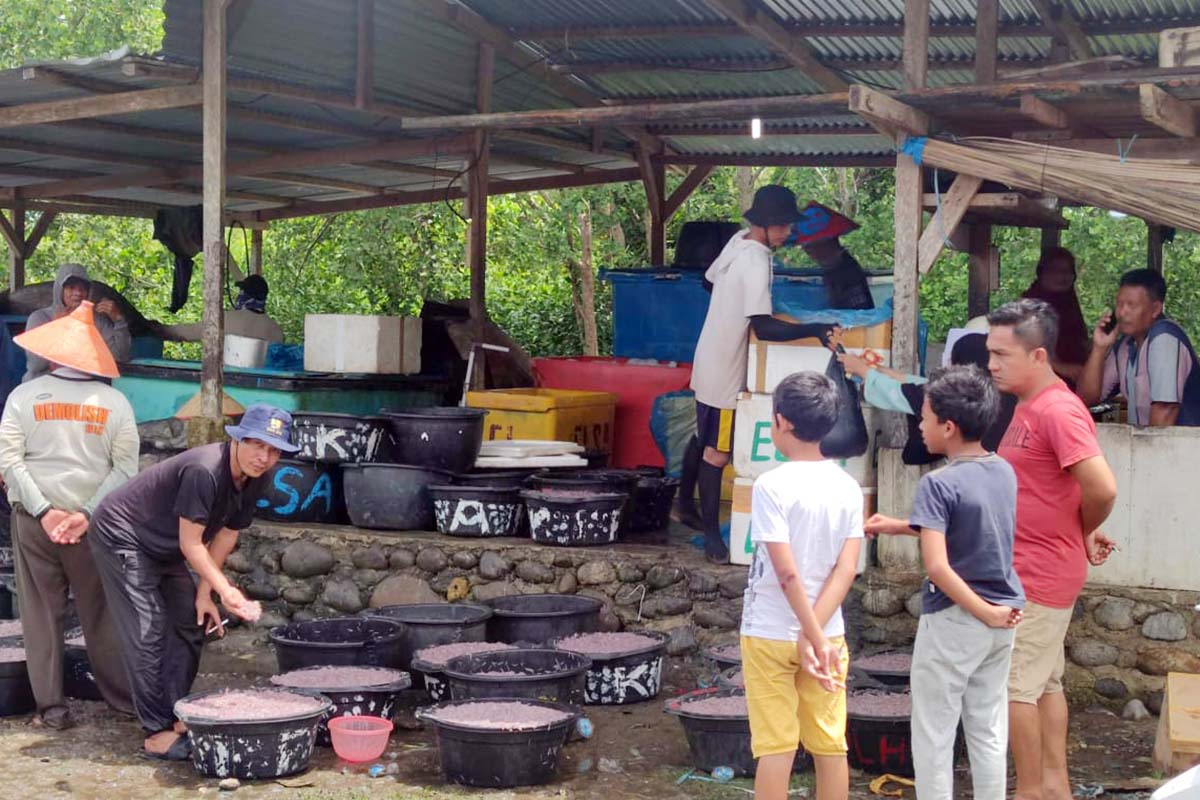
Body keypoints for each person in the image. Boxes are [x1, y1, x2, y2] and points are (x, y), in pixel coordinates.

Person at [88, 404, 297, 759]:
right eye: (257, 444)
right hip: (123, 534)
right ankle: (156, 731)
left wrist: (205, 593)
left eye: (274, 450)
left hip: (166, 544)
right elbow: (191, 544)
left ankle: (176, 712)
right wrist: (227, 590)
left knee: (191, 620)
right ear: (238, 439)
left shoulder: (254, 477)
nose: (264, 457)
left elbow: (227, 535)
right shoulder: (205, 470)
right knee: (148, 627)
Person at [865, 366, 1025, 799]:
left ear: (948, 427)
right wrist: (900, 525)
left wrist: (980, 611)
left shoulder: (939, 483)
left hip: (959, 617)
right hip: (1005, 618)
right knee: (988, 726)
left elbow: (937, 567)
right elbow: (970, 523)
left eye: (925, 417)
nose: (920, 425)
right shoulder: (1003, 471)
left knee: (934, 732)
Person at [987, 299, 1118, 800]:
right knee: (1045, 684)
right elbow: (1053, 488)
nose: (993, 364)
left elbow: (1102, 488)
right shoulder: (1028, 404)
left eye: (1003, 354)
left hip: (1039, 574)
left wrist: (1080, 527)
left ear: (1038, 355)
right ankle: (1055, 787)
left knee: (1015, 686)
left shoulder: (1059, 410)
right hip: (1030, 567)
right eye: (990, 353)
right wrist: (1080, 529)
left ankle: (1029, 791)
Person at [0, 301, 137, 729]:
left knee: (41, 614)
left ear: (54, 352)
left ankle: (53, 709)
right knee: (101, 612)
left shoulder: (23, 397)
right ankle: (124, 701)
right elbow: (125, 471)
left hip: (33, 523)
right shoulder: (115, 403)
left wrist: (43, 512)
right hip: (92, 527)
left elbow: (9, 463)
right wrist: (86, 513)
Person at [687, 186, 838, 562]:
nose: (788, 233)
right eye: (783, 226)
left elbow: (707, 281)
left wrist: (731, 304)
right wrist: (816, 328)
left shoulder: (738, 242)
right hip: (726, 370)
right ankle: (711, 538)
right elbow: (766, 329)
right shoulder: (757, 260)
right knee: (716, 452)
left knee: (699, 436)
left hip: (709, 355)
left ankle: (685, 508)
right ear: (765, 226)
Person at [740, 370, 861, 800]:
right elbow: (846, 569)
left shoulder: (771, 485)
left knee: (777, 745)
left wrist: (806, 633)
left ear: (782, 421)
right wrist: (817, 636)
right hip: (828, 635)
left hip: (771, 631)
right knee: (830, 743)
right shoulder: (848, 487)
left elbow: (786, 573)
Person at [838, 332, 1016, 465]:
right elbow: (924, 385)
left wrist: (861, 370)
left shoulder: (958, 396)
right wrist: (886, 373)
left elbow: (897, 394)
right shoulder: (999, 394)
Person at [1078, 269, 1200, 427]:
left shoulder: (1164, 337)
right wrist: (1099, 348)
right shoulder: (1125, 345)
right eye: (1119, 304)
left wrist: (1148, 451)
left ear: (1155, 309)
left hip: (1183, 447)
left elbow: (1165, 410)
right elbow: (1086, 399)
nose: (1122, 313)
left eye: (1131, 305)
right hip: (1146, 446)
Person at [22, 263, 131, 382]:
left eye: (83, 288)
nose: (78, 293)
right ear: (60, 290)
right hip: (43, 385)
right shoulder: (40, 318)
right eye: (71, 287)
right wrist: (60, 329)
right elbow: (36, 365)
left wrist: (119, 320)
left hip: (83, 386)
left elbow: (120, 357)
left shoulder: (96, 320)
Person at [788, 202, 874, 311]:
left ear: (828, 243)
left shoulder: (847, 271)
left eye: (809, 246)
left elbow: (858, 311)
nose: (807, 251)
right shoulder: (833, 267)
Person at [1022, 248, 1090, 385]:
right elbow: (1022, 347)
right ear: (1042, 273)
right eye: (1055, 271)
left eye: (1067, 271)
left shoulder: (1068, 302)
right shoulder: (1029, 305)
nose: (1062, 276)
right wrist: (1060, 367)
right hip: (1040, 380)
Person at [161, 273, 285, 344]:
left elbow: (191, 332)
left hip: (228, 382)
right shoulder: (276, 330)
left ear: (244, 295)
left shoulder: (226, 319)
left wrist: (159, 329)